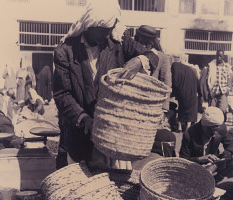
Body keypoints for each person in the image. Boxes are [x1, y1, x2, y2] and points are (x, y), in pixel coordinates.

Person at [53, 0, 158, 168]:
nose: (108, 35)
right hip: (78, 135)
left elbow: (152, 55)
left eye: (110, 30)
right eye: (104, 31)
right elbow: (62, 94)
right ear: (90, 26)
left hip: (113, 136)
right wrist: (83, 118)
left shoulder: (119, 43)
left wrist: (139, 60)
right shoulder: (65, 51)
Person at [179, 106, 233, 183]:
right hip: (197, 167)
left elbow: (232, 144)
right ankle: (206, 180)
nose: (214, 133)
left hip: (215, 165)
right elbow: (182, 159)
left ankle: (216, 179)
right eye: (212, 131)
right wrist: (200, 159)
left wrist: (220, 160)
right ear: (204, 126)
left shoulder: (220, 127)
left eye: (216, 130)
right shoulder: (189, 134)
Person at [134, 25, 171, 111]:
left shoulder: (162, 57)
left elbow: (166, 82)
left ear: (151, 43)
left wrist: (164, 107)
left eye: (145, 43)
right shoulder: (133, 53)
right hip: (134, 99)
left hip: (151, 102)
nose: (142, 45)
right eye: (140, 42)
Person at [171, 53, 201, 132]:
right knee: (191, 110)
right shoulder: (191, 69)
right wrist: (200, 93)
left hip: (182, 92)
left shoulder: (175, 66)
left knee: (181, 109)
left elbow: (175, 80)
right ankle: (188, 127)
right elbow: (197, 81)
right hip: (192, 93)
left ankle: (180, 127)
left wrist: (175, 92)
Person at [206, 50, 230, 120]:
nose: (219, 58)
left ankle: (221, 126)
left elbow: (228, 78)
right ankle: (213, 127)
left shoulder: (227, 66)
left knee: (223, 109)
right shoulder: (211, 65)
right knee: (212, 112)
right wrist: (209, 90)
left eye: (221, 56)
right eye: (217, 56)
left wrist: (228, 89)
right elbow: (207, 79)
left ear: (223, 57)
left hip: (222, 91)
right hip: (213, 91)